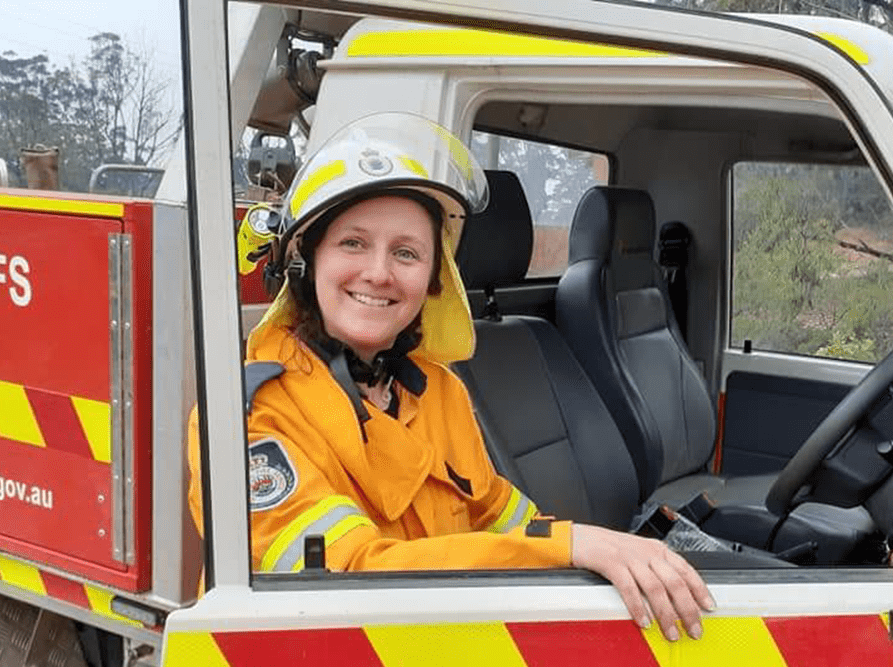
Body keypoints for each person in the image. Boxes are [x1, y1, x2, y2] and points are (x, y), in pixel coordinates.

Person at [187, 112, 713, 640]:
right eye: (353, 243)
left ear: (433, 281)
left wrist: (593, 544)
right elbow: (347, 579)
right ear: (305, 262)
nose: (379, 272)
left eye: (407, 253)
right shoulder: (245, 417)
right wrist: (576, 546)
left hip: (442, 654)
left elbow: (504, 519)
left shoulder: (437, 391)